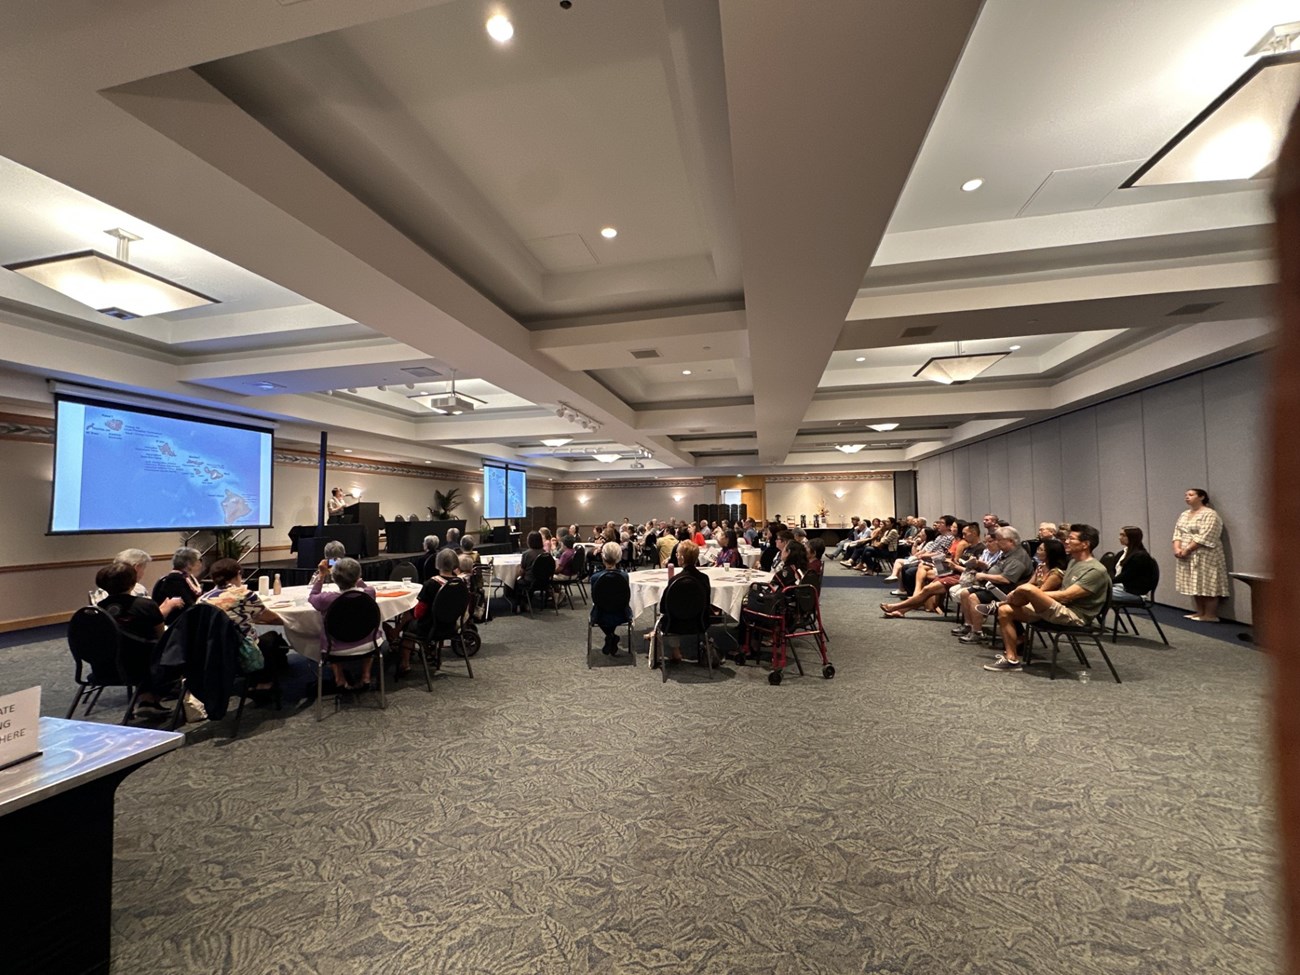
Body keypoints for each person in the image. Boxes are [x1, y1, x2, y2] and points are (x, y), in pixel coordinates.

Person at [986, 525, 1109, 673]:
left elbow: (1067, 595)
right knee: (1005, 610)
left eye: (1071, 538)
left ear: (1085, 544)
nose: (1067, 541)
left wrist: (1032, 594)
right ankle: (1012, 659)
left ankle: (1004, 600)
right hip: (1058, 607)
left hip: (1074, 616)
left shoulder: (1095, 570)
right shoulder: (1074, 562)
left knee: (1027, 589)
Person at [96, 560, 183, 715]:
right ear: (133, 581)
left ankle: (147, 700)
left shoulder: (99, 609)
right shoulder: (145, 605)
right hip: (145, 667)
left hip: (106, 668)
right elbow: (160, 637)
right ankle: (150, 699)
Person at [201, 558, 288, 684]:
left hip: (211, 650)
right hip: (240, 649)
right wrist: (292, 622)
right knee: (272, 638)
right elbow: (271, 617)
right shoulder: (244, 594)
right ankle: (263, 684)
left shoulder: (203, 599)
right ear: (238, 574)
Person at [309, 556, 382, 690]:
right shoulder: (369, 593)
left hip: (335, 649)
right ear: (359, 575)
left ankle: (339, 678)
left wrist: (321, 575)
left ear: (335, 578)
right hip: (369, 644)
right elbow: (364, 585)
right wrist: (354, 576)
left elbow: (312, 596)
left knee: (328, 633)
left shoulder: (326, 599)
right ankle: (366, 675)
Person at [951, 527, 1035, 640]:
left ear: (1011, 541)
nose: (997, 542)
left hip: (1007, 591)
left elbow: (1006, 579)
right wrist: (986, 567)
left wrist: (984, 575)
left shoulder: (1017, 558)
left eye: (999, 540)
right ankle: (968, 625)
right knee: (965, 593)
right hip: (995, 587)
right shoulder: (1007, 553)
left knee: (973, 597)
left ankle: (977, 633)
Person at [1173, 488, 1229, 622]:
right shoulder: (1184, 514)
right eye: (1186, 495)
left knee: (1207, 583)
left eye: (1191, 495)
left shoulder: (1210, 514)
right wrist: (1177, 547)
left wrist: (1188, 549)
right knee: (1194, 583)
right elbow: (1177, 532)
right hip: (1186, 554)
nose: (1187, 497)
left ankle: (1210, 614)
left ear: (1202, 497)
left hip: (1204, 553)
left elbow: (1207, 535)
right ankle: (1199, 612)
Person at [660, 540, 711, 663]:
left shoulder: (675, 580)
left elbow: (663, 607)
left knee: (667, 615)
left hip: (674, 624)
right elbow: (707, 603)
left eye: (677, 553)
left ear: (682, 558)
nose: (676, 556)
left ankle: (675, 651)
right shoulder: (704, 578)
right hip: (700, 622)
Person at [589, 541, 632, 656]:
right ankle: (611, 636)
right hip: (622, 612)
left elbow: (595, 599)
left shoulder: (595, 578)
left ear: (602, 557)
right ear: (619, 557)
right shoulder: (624, 576)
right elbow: (625, 597)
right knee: (612, 606)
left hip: (600, 614)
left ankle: (610, 636)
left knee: (602, 607)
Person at [151, 547, 203, 624]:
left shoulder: (187, 577)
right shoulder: (174, 580)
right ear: (189, 564)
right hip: (177, 622)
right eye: (199, 560)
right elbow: (188, 605)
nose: (200, 563)